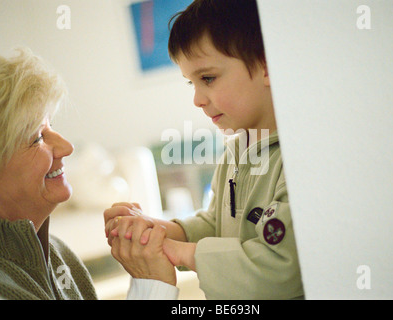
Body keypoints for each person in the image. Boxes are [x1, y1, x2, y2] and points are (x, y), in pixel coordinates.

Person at [105, 0, 304, 299]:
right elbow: (216, 223)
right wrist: (158, 230)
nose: (197, 99)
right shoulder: (237, 152)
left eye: (207, 78)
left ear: (267, 65)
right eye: (191, 84)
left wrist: (178, 252)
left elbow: (280, 265)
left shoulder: (300, 157)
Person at [0, 49, 177, 300]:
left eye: (52, 126)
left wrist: (148, 280)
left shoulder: (58, 254)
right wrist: (153, 287)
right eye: (36, 137)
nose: (67, 147)